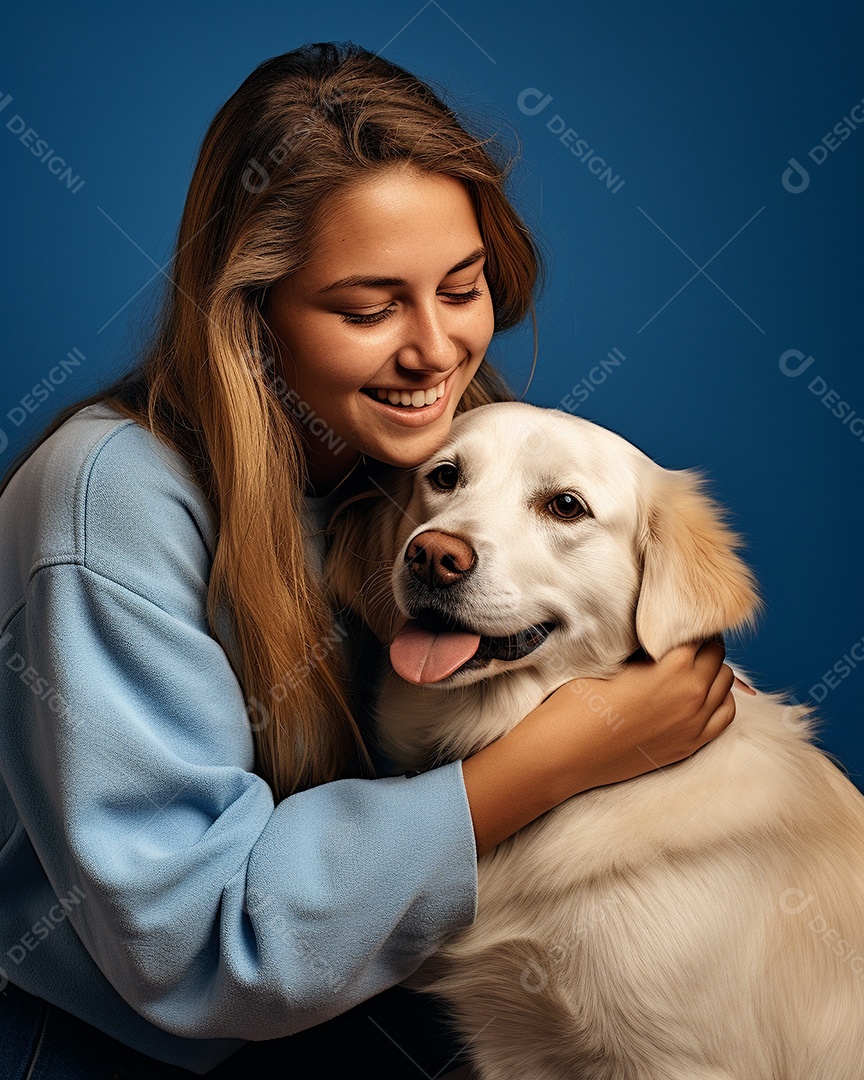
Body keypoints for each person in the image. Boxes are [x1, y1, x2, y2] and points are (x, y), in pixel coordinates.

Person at [0, 41, 737, 1079]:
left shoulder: (440, 468)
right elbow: (195, 942)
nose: (435, 350)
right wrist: (544, 763)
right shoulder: (109, 496)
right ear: (250, 316)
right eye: (368, 308)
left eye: (463, 287)